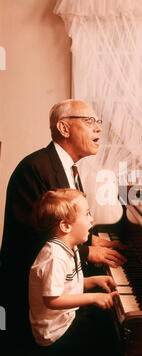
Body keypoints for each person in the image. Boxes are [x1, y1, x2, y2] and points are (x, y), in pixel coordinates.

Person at [0, 99, 126, 342]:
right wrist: (89, 252)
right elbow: (33, 235)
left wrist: (94, 240)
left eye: (97, 122)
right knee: (113, 331)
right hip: (26, 300)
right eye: (90, 121)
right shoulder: (35, 168)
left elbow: (64, 221)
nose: (98, 128)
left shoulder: (67, 167)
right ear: (64, 128)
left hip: (57, 280)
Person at [29, 188, 119, 356]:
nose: (91, 220)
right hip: (54, 333)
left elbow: (68, 284)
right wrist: (93, 298)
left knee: (107, 328)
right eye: (87, 214)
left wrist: (93, 281)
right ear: (65, 226)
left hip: (65, 319)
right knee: (107, 342)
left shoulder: (70, 247)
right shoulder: (54, 257)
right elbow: (52, 299)